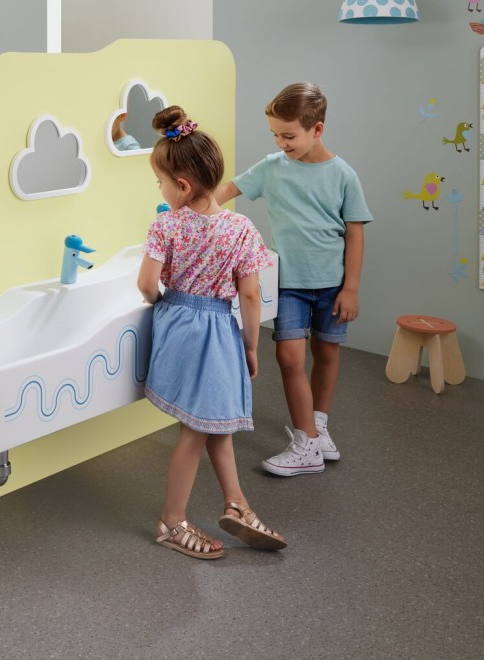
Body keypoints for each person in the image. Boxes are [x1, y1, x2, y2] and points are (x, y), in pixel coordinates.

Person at [138, 106, 286, 560]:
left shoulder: (165, 222)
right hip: (220, 330)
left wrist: (166, 306)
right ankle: (172, 521)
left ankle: (234, 504)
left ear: (181, 186)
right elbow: (251, 296)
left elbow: (146, 285)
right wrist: (251, 346)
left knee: (211, 425)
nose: (160, 190)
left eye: (161, 182)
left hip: (180, 325)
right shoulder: (241, 229)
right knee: (199, 428)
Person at [215, 82, 373, 477]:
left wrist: (351, 288)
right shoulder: (271, 168)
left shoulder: (343, 175)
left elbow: (355, 232)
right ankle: (305, 443)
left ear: (316, 130)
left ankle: (318, 428)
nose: (281, 142)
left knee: (327, 353)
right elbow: (227, 191)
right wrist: (187, 207)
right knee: (288, 356)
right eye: (275, 134)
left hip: (332, 284)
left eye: (289, 135)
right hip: (288, 284)